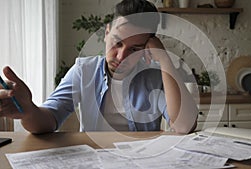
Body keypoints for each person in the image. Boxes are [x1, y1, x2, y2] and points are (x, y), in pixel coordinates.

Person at [0, 0, 198, 134]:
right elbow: (49, 119)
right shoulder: (83, 71)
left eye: (135, 49)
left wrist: (164, 59)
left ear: (147, 47)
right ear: (106, 32)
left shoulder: (155, 77)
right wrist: (28, 112)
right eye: (117, 43)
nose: (121, 56)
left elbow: (183, 126)